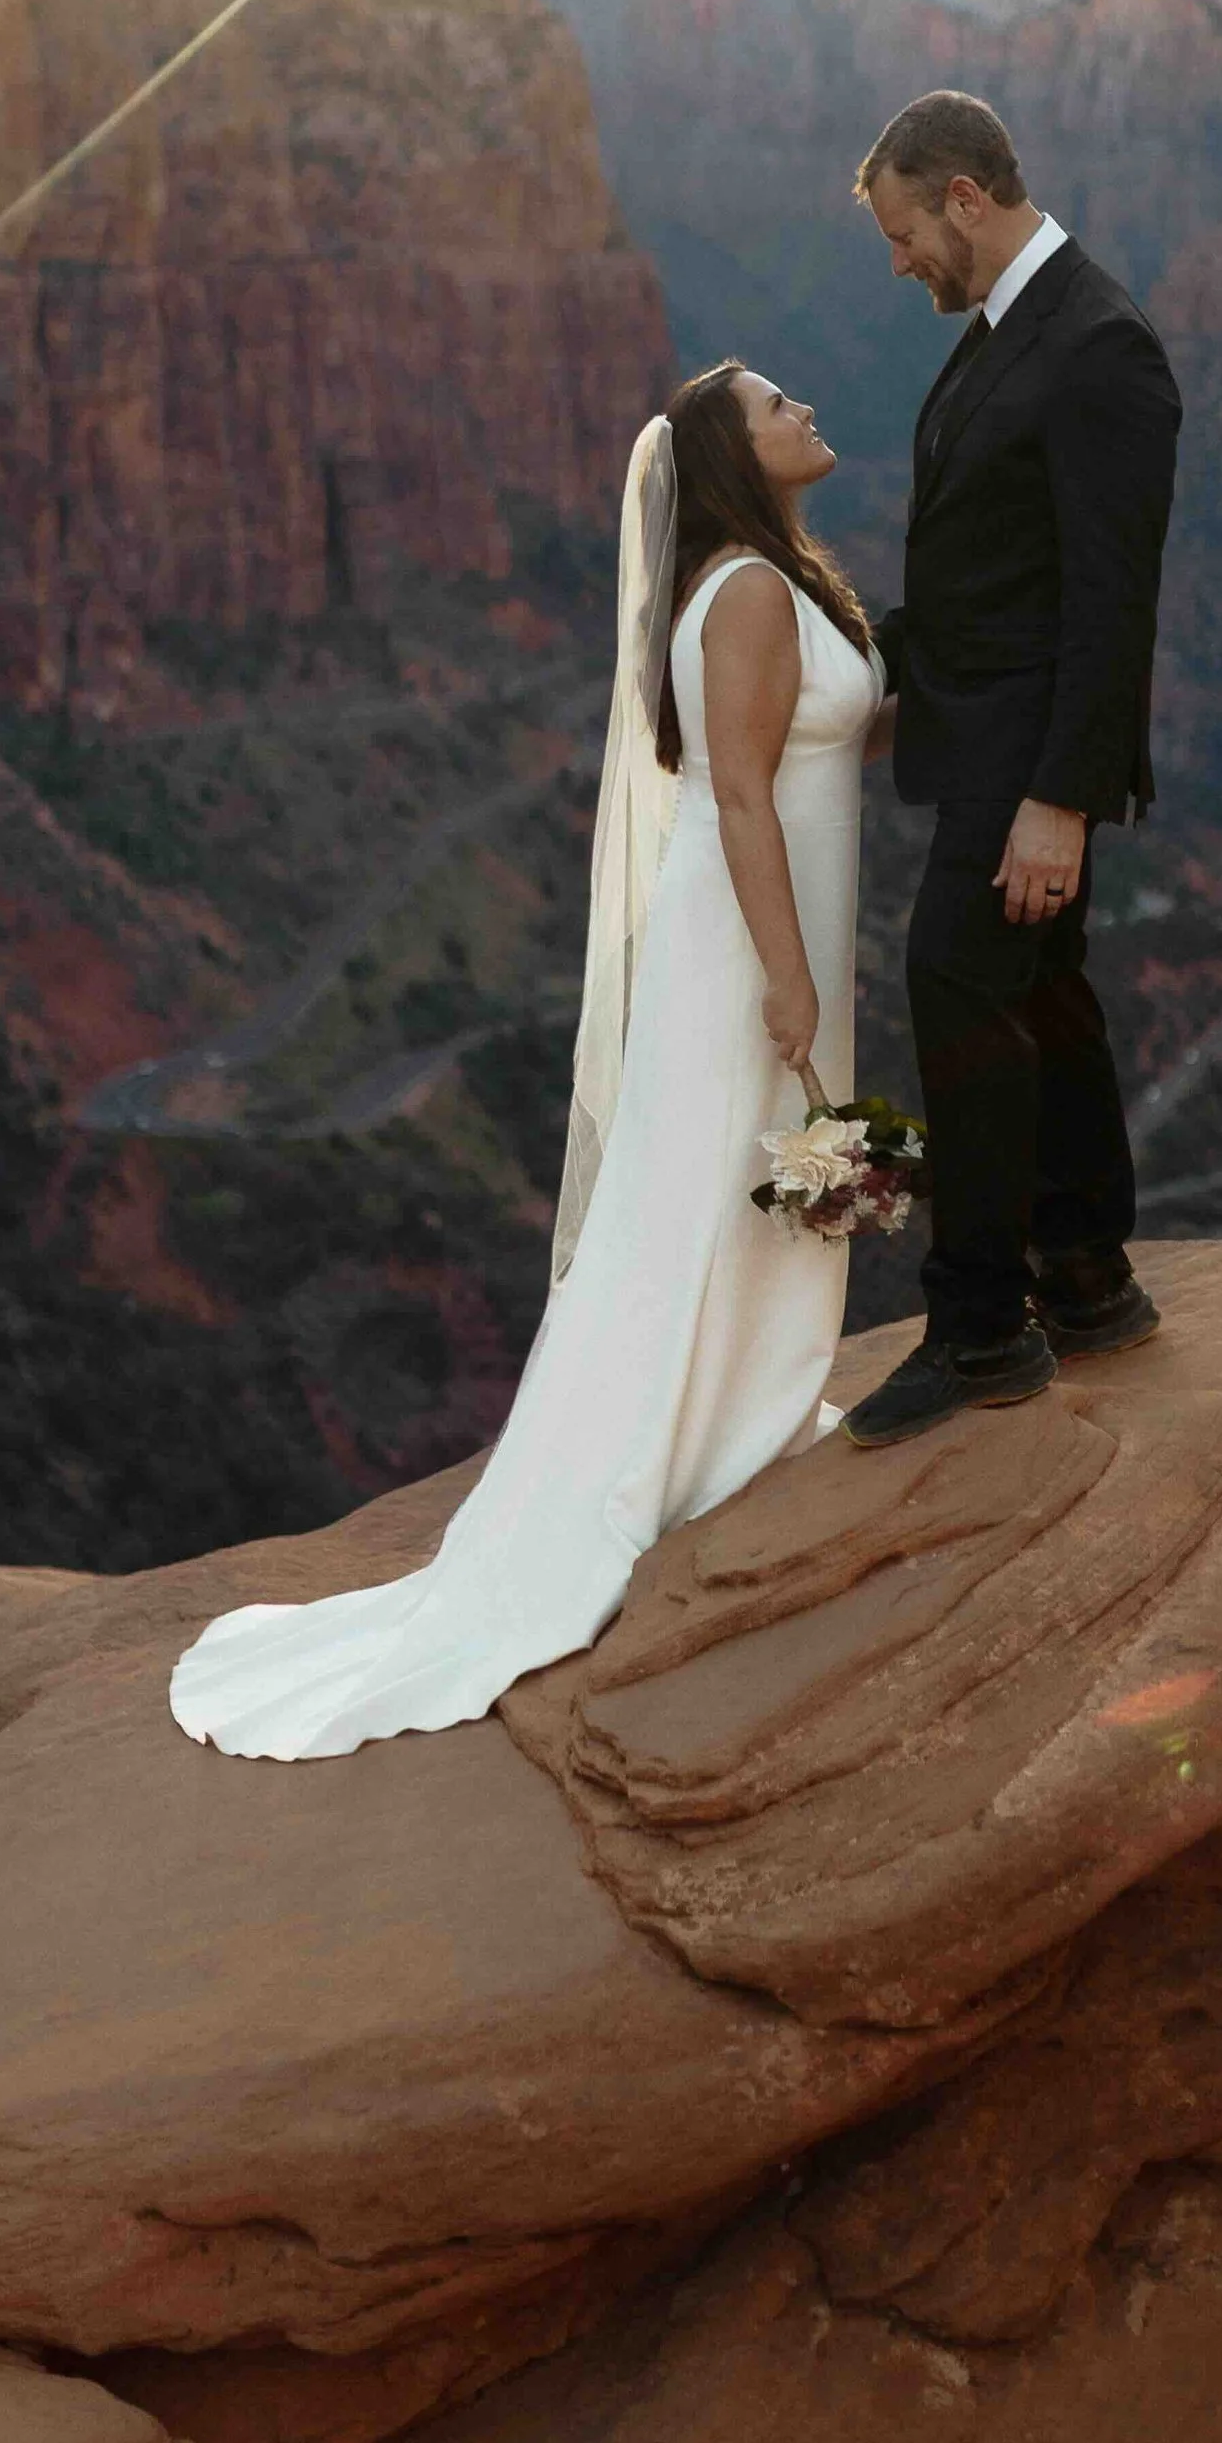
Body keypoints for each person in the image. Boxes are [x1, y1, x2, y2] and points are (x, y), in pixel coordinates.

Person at [168, 361, 883, 1757]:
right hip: (747, 939)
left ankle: (741, 1403)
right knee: (704, 1188)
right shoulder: (740, 589)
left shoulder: (772, 573)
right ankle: (690, 1439)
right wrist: (789, 974)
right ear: (734, 460)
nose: (805, 406)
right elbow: (736, 790)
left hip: (770, 924)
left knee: (738, 1179)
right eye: (775, 404)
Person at [844, 90, 1182, 1451]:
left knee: (958, 983)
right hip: (985, 734)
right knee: (1042, 996)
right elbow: (990, 573)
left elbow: (1112, 599)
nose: (898, 259)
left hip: (1027, 764)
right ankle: (1090, 1278)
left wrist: (1062, 801)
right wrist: (856, 671)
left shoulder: (1100, 346)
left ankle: (982, 1328)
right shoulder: (1013, 329)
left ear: (964, 199)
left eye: (902, 229)